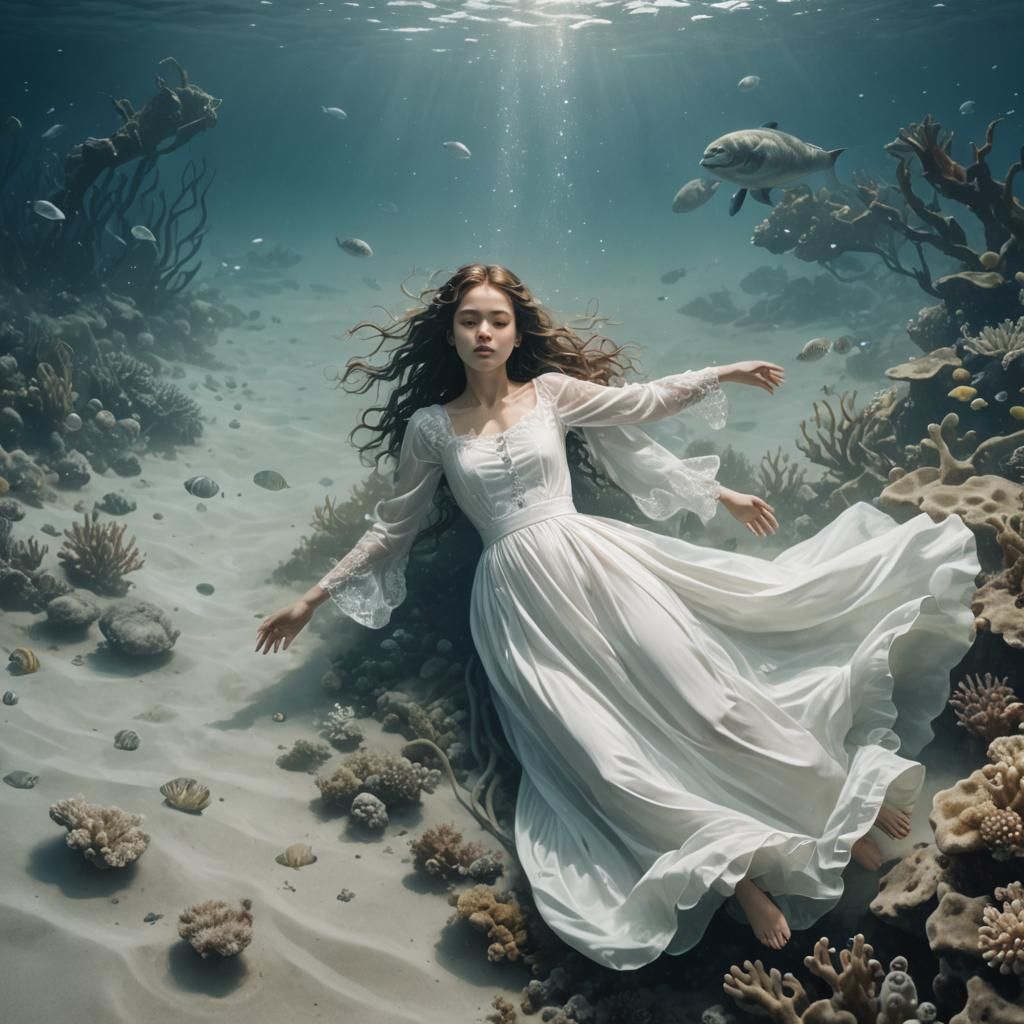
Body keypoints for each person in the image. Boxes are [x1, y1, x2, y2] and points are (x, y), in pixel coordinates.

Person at [256, 263, 980, 969]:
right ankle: (738, 876)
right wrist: (312, 599)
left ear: (516, 333)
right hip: (516, 606)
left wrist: (723, 379)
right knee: (604, 754)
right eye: (469, 321)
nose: (483, 332)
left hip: (599, 566)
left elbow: (641, 404)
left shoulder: (550, 392)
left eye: (497, 321)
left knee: (706, 696)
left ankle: (833, 808)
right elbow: (392, 527)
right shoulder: (431, 428)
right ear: (450, 334)